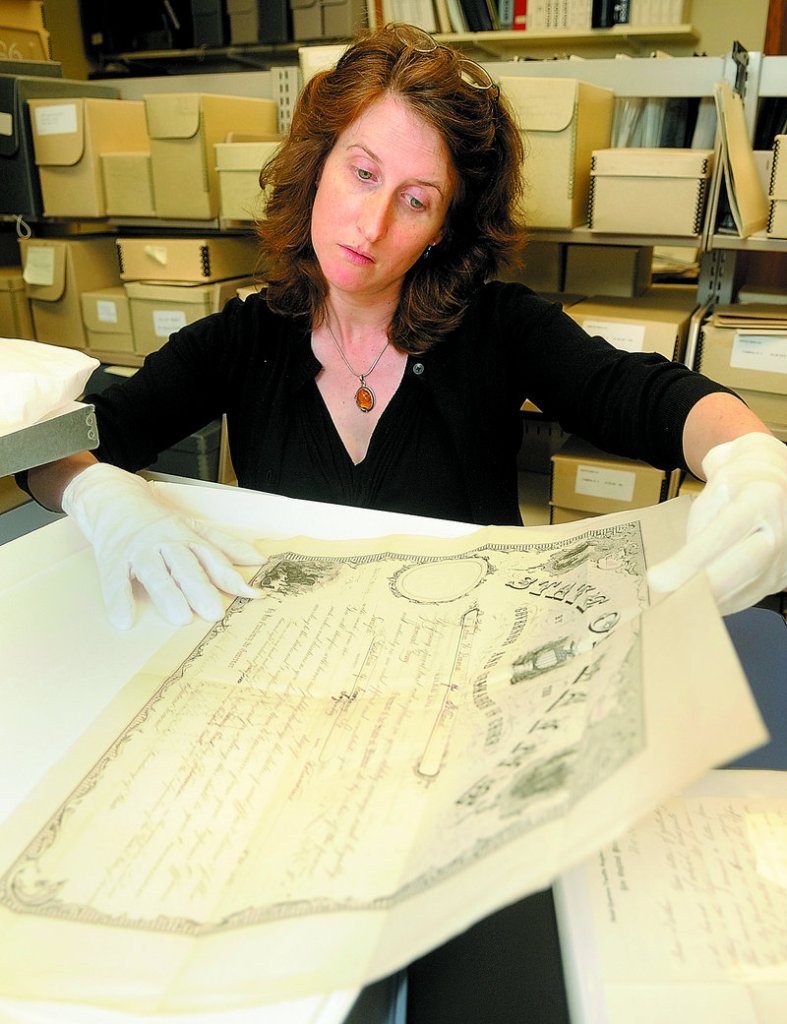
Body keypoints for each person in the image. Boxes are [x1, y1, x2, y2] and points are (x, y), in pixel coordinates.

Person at [21, 23, 787, 629]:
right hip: (293, 666)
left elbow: (644, 396)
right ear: (317, 164)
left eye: (416, 199)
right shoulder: (240, 340)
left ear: (445, 228)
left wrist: (752, 457)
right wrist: (100, 497)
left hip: (470, 662)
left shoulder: (498, 329)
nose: (372, 222)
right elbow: (56, 449)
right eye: (361, 173)